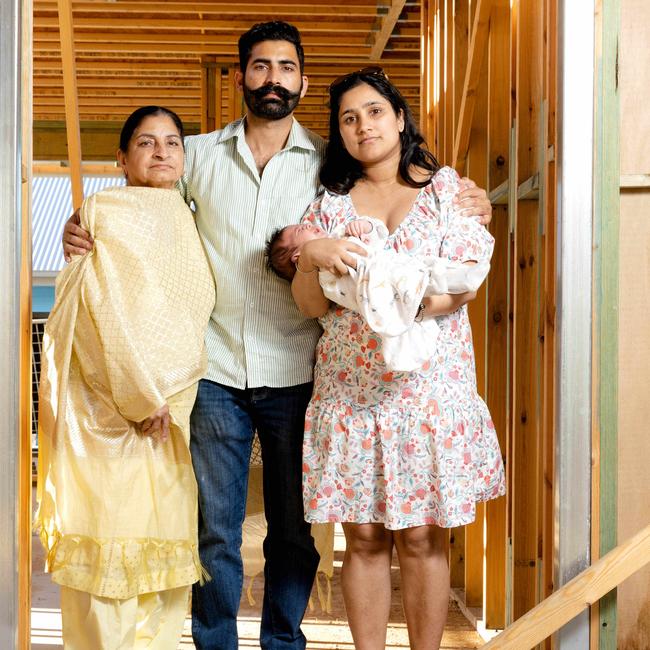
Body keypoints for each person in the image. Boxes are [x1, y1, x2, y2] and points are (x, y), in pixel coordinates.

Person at [62, 22, 494, 650]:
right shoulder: (199, 155)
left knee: (296, 532)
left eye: (286, 68)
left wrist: (469, 196)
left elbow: (410, 188)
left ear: (302, 80)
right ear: (241, 77)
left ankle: (283, 642)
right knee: (215, 529)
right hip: (215, 368)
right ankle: (216, 642)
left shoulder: (330, 165)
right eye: (260, 67)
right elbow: (142, 197)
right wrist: (82, 222)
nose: (273, 79)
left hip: (300, 368)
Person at [291, 69, 505, 650]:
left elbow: (462, 285)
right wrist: (312, 256)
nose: (363, 126)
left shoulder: (447, 192)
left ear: (400, 117)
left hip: (426, 393)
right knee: (361, 537)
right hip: (351, 394)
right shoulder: (330, 207)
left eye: (374, 111)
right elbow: (311, 304)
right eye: (349, 118)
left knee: (419, 538)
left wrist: (385, 301)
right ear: (339, 132)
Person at [36, 106, 216, 649]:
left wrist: (164, 398)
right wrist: (139, 396)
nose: (161, 152)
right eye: (145, 142)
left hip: (175, 411)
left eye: (172, 142)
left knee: (160, 567)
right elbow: (93, 311)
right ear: (121, 157)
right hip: (114, 414)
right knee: (108, 555)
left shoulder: (188, 214)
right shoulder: (103, 212)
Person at [265, 219, 490, 371]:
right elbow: (345, 293)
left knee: (423, 270)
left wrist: (362, 227)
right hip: (378, 285)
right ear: (297, 256)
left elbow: (376, 238)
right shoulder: (323, 275)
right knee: (413, 283)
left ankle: (459, 276)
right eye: (299, 231)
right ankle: (454, 280)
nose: (307, 223)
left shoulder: (337, 234)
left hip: (391, 265)